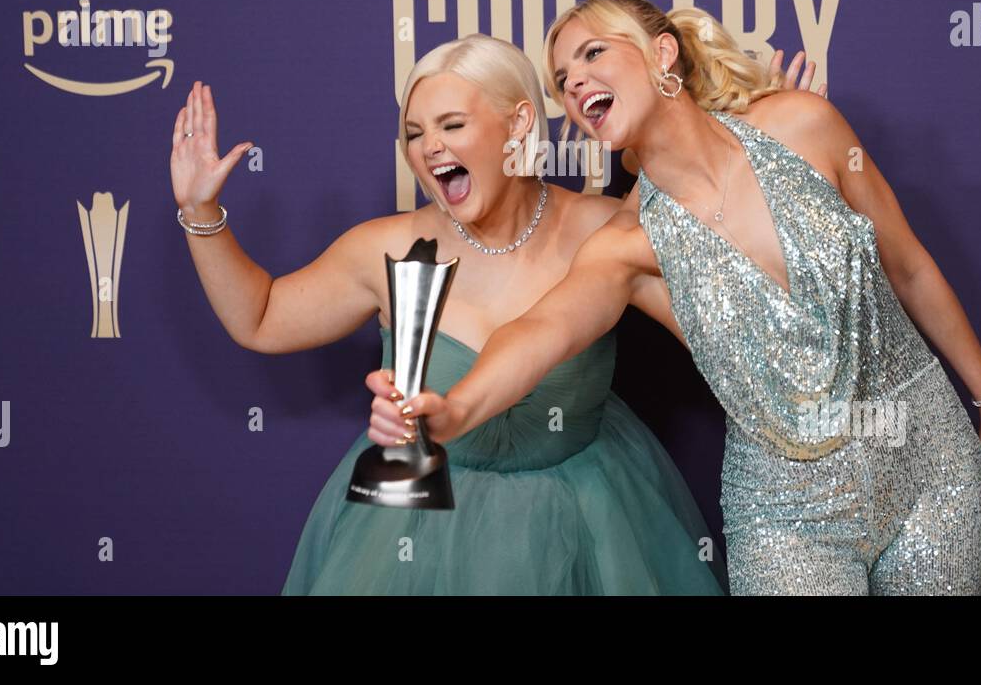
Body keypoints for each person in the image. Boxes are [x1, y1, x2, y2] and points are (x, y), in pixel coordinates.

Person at [368, 0, 981, 595]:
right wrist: (451, 413)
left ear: (662, 53)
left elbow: (909, 266)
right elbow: (539, 332)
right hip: (787, 515)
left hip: (930, 464)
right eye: (562, 82)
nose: (575, 85)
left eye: (593, 53)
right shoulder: (625, 243)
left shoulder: (804, 126)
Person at [170, 31, 821, 594]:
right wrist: (200, 212)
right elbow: (259, 318)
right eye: (415, 134)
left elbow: (738, 328)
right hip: (415, 519)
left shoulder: (608, 233)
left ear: (517, 125)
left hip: (593, 518)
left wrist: (775, 169)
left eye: (452, 126)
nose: (430, 149)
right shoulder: (386, 250)